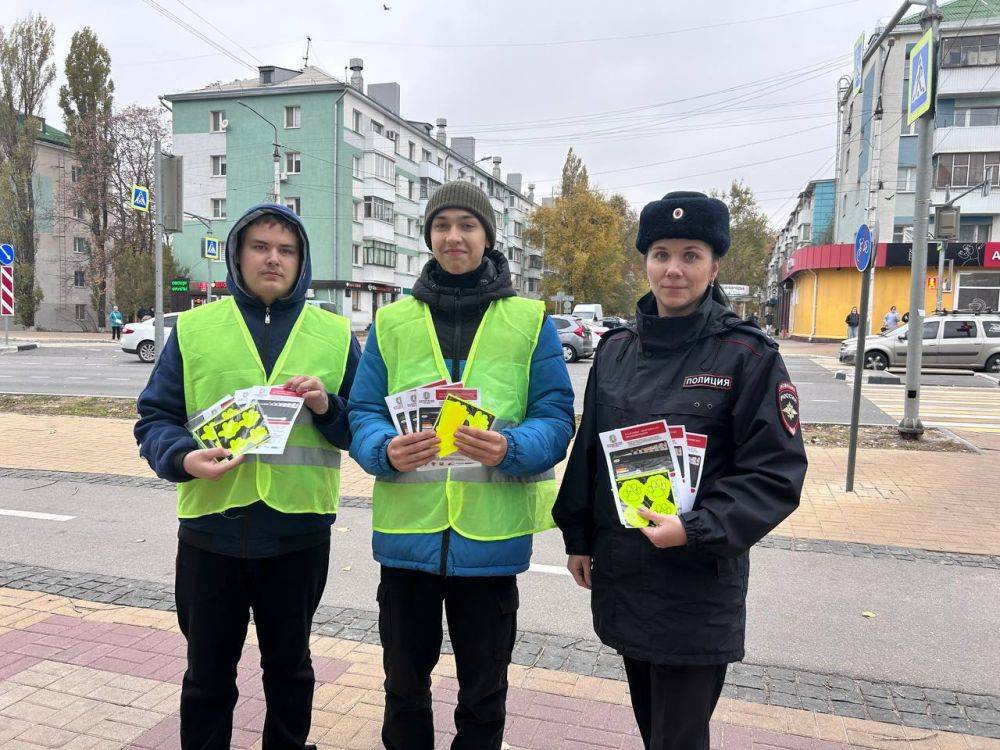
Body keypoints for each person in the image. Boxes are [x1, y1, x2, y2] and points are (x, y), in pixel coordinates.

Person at [553, 191, 807, 750]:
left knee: (679, 737)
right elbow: (590, 457)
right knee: (653, 728)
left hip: (697, 582)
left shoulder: (748, 356)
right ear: (644, 261)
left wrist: (693, 530)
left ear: (715, 266)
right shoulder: (616, 350)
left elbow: (775, 473)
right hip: (627, 572)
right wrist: (577, 537)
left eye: (691, 255)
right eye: (661, 253)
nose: (674, 269)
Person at [348, 181, 575, 750]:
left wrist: (512, 448)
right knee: (403, 687)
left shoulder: (528, 319)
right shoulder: (393, 321)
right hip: (408, 540)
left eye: (467, 225)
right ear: (428, 235)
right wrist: (382, 449)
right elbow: (364, 409)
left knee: (484, 690)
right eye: (442, 225)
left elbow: (556, 414)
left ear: (487, 237)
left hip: (490, 543)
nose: (454, 236)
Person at [134, 203, 361, 749]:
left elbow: (359, 427)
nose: (273, 258)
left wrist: (327, 406)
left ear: (301, 262)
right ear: (237, 255)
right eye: (260, 246)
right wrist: (182, 458)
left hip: (297, 535)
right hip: (211, 532)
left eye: (286, 250)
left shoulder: (334, 334)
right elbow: (155, 418)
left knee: (291, 672)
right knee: (208, 677)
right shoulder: (196, 328)